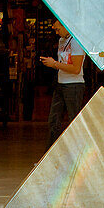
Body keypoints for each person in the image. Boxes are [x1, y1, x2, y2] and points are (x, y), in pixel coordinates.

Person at [41, 20, 86, 149]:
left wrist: (54, 64)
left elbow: (76, 68)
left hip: (74, 85)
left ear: (65, 26)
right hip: (61, 83)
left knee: (73, 120)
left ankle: (77, 151)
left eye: (58, 29)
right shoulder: (62, 41)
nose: (56, 32)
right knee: (54, 121)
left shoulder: (76, 42)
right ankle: (50, 154)